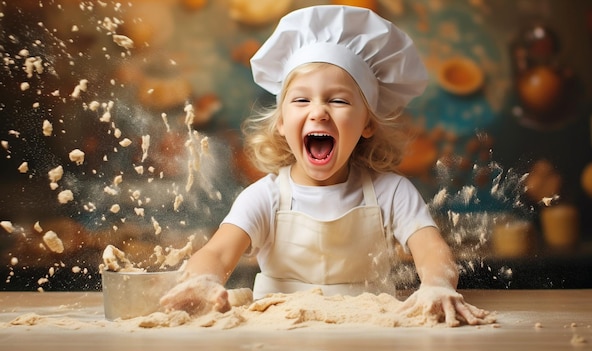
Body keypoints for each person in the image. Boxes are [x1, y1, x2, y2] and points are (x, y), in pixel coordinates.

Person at [160, 5, 490, 326]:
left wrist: (437, 285)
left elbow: (431, 248)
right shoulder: (265, 197)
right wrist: (203, 279)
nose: (318, 112)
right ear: (281, 123)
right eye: (302, 100)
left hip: (371, 334)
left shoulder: (391, 192)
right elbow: (217, 253)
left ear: (367, 123)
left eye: (338, 100)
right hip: (278, 335)